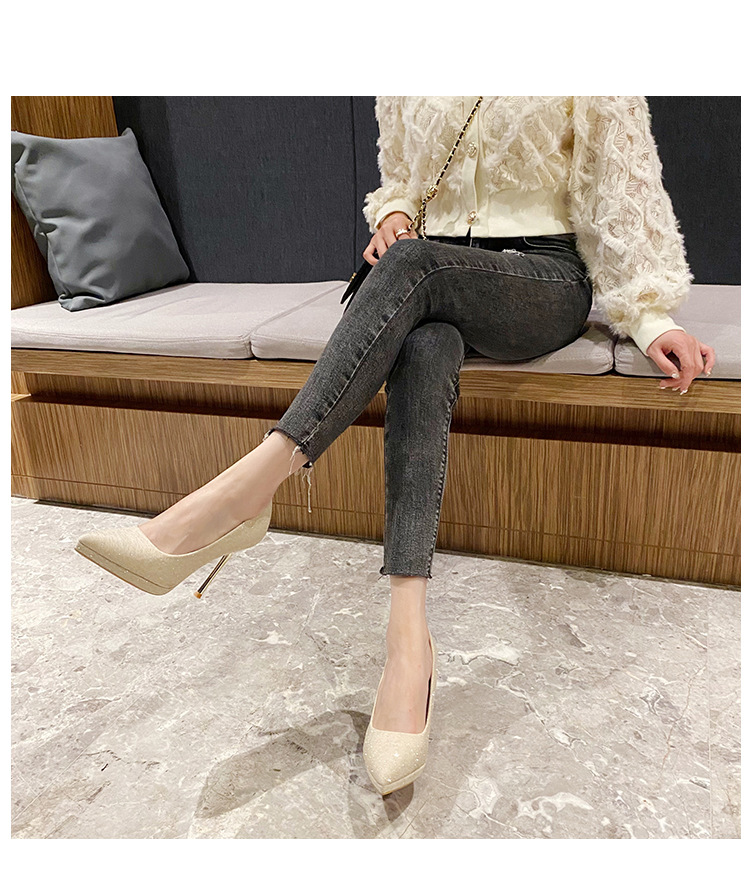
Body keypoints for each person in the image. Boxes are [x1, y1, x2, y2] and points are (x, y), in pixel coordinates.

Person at [75, 96, 716, 797]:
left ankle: (243, 493)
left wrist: (650, 320)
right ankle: (408, 645)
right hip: (429, 270)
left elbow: (620, 187)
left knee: (416, 268)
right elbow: (402, 177)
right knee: (425, 341)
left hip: (540, 278)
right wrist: (396, 215)